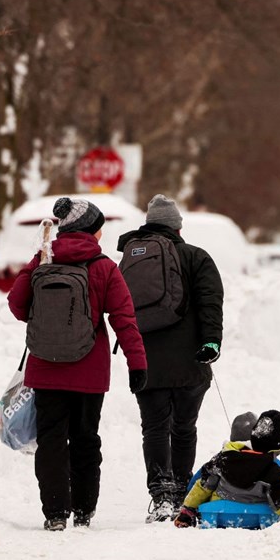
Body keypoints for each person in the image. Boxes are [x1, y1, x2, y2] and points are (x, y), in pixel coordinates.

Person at [8, 197, 147, 531]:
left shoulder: (44, 259)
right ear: (90, 230)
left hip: (45, 367)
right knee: (86, 438)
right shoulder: (102, 267)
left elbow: (17, 306)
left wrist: (35, 265)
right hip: (89, 369)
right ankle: (83, 510)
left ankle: (55, 513)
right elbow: (123, 318)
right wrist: (137, 363)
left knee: (52, 439)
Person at [117, 194, 224, 522]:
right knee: (183, 426)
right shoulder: (196, 257)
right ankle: (180, 490)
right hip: (189, 358)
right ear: (178, 226)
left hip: (145, 358)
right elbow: (210, 301)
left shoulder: (131, 259)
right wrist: (211, 342)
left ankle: (161, 494)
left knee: (153, 427)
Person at [174, 410, 280, 527]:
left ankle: (192, 512)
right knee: (278, 495)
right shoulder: (272, 469)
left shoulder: (220, 460)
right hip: (257, 516)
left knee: (208, 484)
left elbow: (200, 483)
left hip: (220, 514)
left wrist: (187, 507)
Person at [186, 411, 280, 504]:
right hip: (257, 504)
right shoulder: (266, 460)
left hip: (223, 503)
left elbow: (201, 476)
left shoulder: (221, 458)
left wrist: (188, 495)